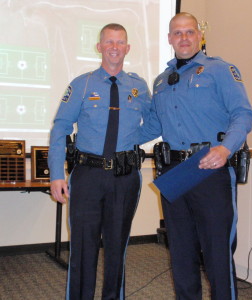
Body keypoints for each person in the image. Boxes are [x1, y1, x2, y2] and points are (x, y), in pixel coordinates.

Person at [140, 12, 252, 300]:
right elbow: (154, 125)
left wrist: (226, 148)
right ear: (169, 39)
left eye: (190, 32)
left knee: (216, 253)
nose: (184, 38)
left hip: (210, 168)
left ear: (200, 36)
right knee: (181, 254)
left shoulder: (220, 70)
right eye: (177, 33)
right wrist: (112, 141)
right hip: (174, 173)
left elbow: (242, 114)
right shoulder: (161, 81)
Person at [48, 23, 151, 300]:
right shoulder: (82, 85)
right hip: (88, 176)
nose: (114, 47)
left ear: (127, 48)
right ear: (99, 47)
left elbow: (154, 122)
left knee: (117, 248)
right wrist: (57, 173)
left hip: (125, 176)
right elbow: (60, 128)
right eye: (109, 42)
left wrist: (130, 139)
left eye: (120, 42)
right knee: (83, 248)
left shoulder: (139, 87)